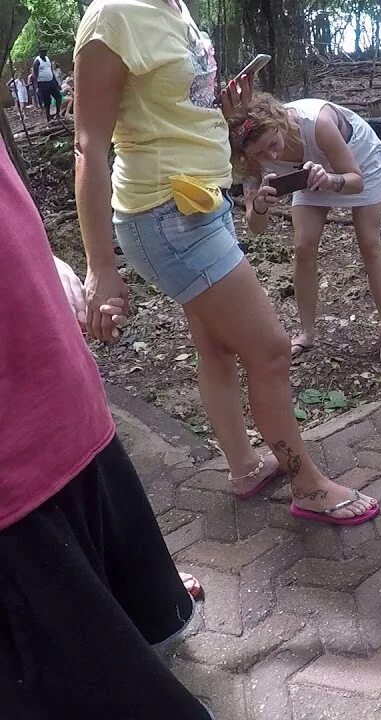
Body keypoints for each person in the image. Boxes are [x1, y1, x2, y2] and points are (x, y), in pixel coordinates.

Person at [74, 0, 378, 524]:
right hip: (164, 213)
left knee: (216, 349)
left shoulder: (176, 9)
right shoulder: (113, 16)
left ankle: (245, 467)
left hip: (202, 201)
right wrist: (100, 263)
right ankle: (306, 483)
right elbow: (89, 145)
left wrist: (220, 106)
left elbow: (169, 109)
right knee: (271, 350)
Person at [0, 132, 211, 718]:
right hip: (11, 482)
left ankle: (116, 600)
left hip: (61, 396)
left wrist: (47, 261)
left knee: (108, 605)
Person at [229, 93, 381, 363]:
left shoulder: (317, 122)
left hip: (359, 163)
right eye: (260, 153)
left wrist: (331, 179)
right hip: (308, 174)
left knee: (369, 243)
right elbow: (256, 227)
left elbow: (355, 181)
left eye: (273, 144)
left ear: (279, 122)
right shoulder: (251, 161)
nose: (271, 155)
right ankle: (306, 333)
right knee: (303, 246)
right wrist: (261, 205)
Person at [31, 47, 62, 121]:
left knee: (58, 97)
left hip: (51, 81)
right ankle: (48, 117)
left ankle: (57, 114)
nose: (44, 53)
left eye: (45, 51)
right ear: (39, 52)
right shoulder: (37, 61)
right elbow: (35, 75)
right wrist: (37, 86)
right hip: (43, 83)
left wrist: (56, 82)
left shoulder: (48, 59)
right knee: (47, 101)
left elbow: (51, 70)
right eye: (43, 51)